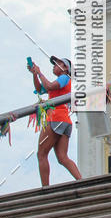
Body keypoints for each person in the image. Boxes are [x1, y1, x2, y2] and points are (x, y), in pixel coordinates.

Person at [27, 56, 82, 186]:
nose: (54, 66)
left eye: (57, 64)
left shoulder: (64, 78)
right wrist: (35, 74)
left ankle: (46, 188)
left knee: (41, 154)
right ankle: (81, 181)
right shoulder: (62, 81)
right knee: (62, 157)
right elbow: (40, 89)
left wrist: (39, 72)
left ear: (64, 68)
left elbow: (49, 86)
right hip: (65, 121)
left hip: (56, 118)